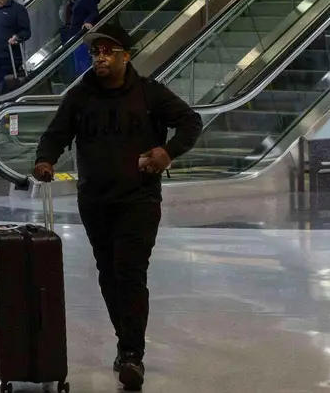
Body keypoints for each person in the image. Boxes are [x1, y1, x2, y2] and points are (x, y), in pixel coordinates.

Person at [31, 21, 203, 392]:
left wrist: (167, 152)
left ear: (126, 56)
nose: (101, 58)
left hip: (139, 199)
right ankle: (124, 345)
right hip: (95, 200)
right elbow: (55, 134)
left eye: (108, 51)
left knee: (129, 272)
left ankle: (132, 354)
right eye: (96, 52)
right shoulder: (80, 97)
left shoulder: (149, 94)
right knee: (108, 274)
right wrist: (45, 159)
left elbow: (191, 122)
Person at [62, 0, 103, 80]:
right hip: (75, 34)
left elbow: (94, 12)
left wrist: (87, 22)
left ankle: (85, 84)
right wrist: (73, 1)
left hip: (81, 35)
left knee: (82, 62)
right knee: (79, 61)